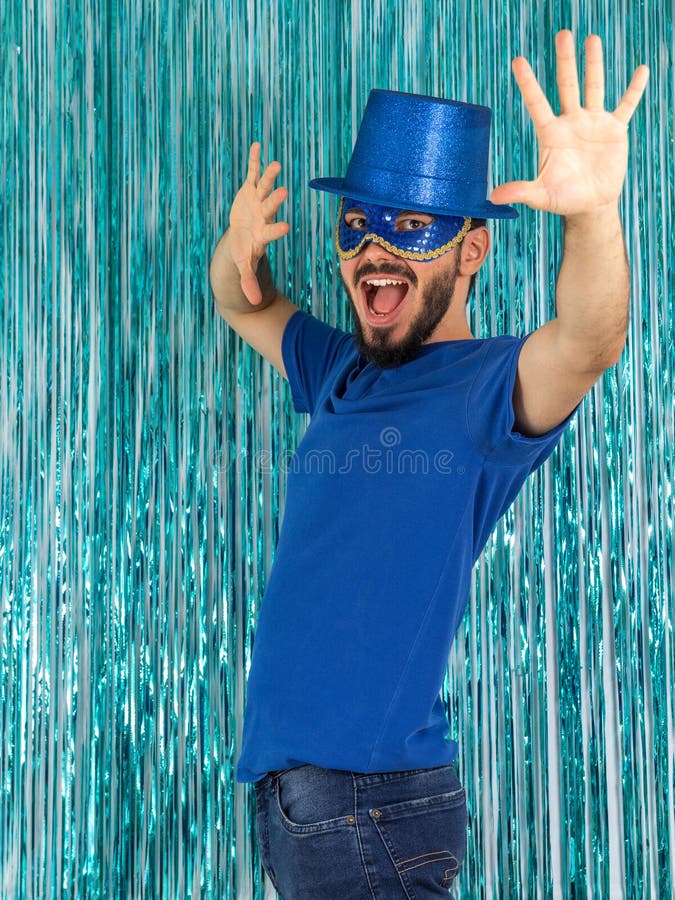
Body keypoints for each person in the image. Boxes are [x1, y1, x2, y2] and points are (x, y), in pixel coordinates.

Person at [209, 29, 648, 900]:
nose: (374, 248)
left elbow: (592, 339)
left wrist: (593, 213)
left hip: (368, 804)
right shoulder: (337, 370)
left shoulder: (492, 387)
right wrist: (234, 251)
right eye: (357, 226)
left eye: (411, 228)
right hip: (299, 801)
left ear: (470, 251)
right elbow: (240, 301)